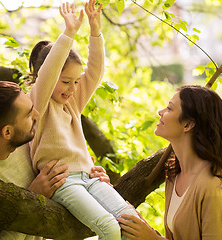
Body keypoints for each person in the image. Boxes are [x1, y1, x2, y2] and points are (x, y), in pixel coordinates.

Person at [28, 1, 139, 239]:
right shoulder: (39, 103)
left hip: (90, 176)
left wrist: (95, 30)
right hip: (63, 182)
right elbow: (48, 73)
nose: (72, 88)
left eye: (76, 81)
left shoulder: (72, 102)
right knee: (108, 227)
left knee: (131, 221)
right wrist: (69, 33)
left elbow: (95, 71)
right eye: (66, 81)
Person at [0, 81, 109, 240]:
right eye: (29, 114)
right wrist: (31, 200)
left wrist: (89, 178)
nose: (37, 114)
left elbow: (67, 188)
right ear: (7, 132)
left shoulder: (30, 142)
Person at [117, 85, 222, 240]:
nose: (160, 112)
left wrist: (151, 238)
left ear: (187, 125)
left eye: (169, 109)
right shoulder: (174, 174)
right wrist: (143, 229)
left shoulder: (213, 186)